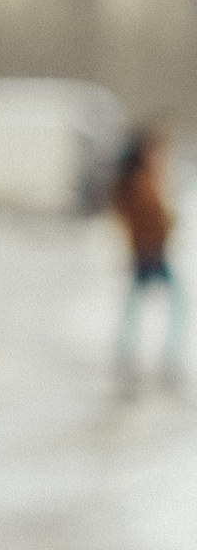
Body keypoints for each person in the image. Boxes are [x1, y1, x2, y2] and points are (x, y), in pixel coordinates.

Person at [111, 121, 184, 389]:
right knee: (176, 305)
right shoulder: (141, 182)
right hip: (150, 253)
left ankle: (127, 355)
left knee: (136, 306)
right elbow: (156, 219)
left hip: (146, 252)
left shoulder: (137, 179)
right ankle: (161, 358)